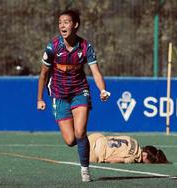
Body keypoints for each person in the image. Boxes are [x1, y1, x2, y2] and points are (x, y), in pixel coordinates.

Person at [37, 9, 110, 182]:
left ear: (75, 25)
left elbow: (96, 72)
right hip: (58, 94)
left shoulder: (86, 47)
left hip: (79, 91)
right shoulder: (52, 47)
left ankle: (85, 170)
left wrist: (102, 90)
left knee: (80, 131)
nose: (62, 25)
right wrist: (40, 98)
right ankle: (84, 142)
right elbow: (43, 75)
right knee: (71, 140)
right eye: (60, 22)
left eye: (66, 22)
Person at [88, 133, 170, 164]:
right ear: (144, 155)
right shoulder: (133, 158)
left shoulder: (133, 140)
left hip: (96, 137)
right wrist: (104, 160)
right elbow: (112, 159)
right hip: (93, 153)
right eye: (150, 162)